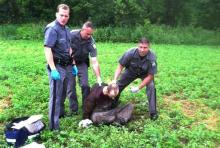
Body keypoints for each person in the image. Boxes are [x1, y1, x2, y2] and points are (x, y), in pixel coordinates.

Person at [44, 4, 78, 130]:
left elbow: (69, 48)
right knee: (56, 96)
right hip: (57, 66)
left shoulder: (67, 29)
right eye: (61, 15)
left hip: (67, 65)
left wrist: (73, 64)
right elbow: (47, 49)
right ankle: (53, 127)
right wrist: (53, 69)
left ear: (68, 16)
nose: (63, 18)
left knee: (64, 92)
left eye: (66, 15)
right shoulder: (52, 29)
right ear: (56, 14)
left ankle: (61, 113)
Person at [113, 38, 158, 120]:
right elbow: (120, 67)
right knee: (118, 85)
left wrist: (138, 87)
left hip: (145, 74)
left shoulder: (152, 57)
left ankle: (153, 112)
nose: (142, 50)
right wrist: (114, 80)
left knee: (151, 86)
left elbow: (150, 76)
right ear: (137, 46)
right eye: (140, 47)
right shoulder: (129, 53)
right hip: (131, 71)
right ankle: (112, 104)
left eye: (145, 47)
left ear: (149, 47)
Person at [69, 21, 102, 111]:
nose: (89, 36)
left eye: (90, 34)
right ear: (82, 30)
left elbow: (94, 61)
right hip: (70, 62)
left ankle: (86, 107)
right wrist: (73, 63)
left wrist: (98, 77)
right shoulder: (71, 35)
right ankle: (73, 109)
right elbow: (66, 49)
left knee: (85, 85)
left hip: (82, 62)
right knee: (71, 87)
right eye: (87, 34)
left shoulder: (91, 41)